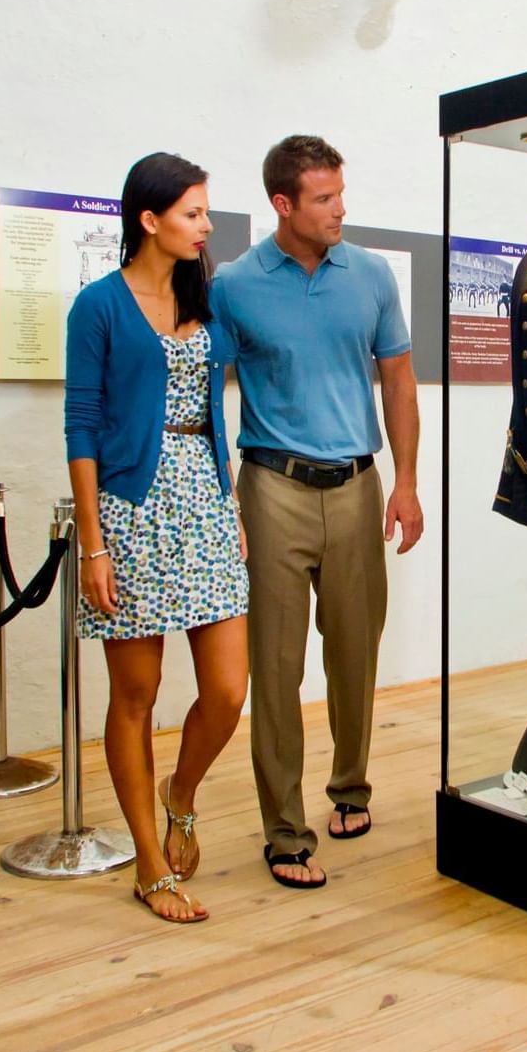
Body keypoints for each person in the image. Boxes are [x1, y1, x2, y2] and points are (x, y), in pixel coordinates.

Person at [212, 134, 422, 890]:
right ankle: (282, 830)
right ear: (283, 204)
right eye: (324, 198)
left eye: (340, 193)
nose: (341, 208)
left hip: (358, 484)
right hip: (270, 487)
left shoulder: (368, 276)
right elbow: (204, 398)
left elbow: (397, 382)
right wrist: (218, 498)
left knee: (355, 651)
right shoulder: (233, 285)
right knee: (274, 665)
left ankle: (351, 788)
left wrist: (405, 483)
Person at [64, 152, 249, 923]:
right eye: (193, 214)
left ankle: (182, 794)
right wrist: (93, 543)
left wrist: (230, 504)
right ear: (150, 220)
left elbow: (212, 414)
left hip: (203, 501)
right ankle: (147, 862)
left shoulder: (203, 298)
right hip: (131, 510)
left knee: (227, 691)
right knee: (134, 695)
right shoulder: (98, 305)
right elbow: (80, 424)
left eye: (205, 213)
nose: (206, 228)